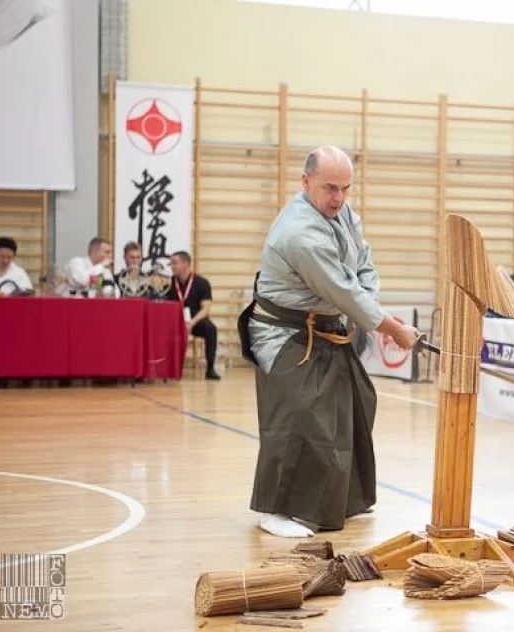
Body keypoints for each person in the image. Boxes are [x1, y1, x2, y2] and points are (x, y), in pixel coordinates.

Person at [240, 145, 420, 538]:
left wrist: (365, 306)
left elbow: (364, 269)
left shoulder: (345, 215)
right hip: (284, 334)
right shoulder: (299, 232)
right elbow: (343, 290)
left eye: (345, 188)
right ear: (306, 183)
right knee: (296, 418)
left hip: (326, 327)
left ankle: (345, 499)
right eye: (329, 188)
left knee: (356, 405)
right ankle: (275, 510)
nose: (338, 197)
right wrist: (392, 328)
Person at [166, 251, 220, 380]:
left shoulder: (202, 282)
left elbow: (206, 309)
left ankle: (210, 368)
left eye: (175, 263)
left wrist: (191, 322)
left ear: (185, 264)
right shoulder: (168, 284)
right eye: (171, 263)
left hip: (194, 321)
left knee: (211, 329)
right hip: (174, 322)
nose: (172, 266)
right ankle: (168, 368)